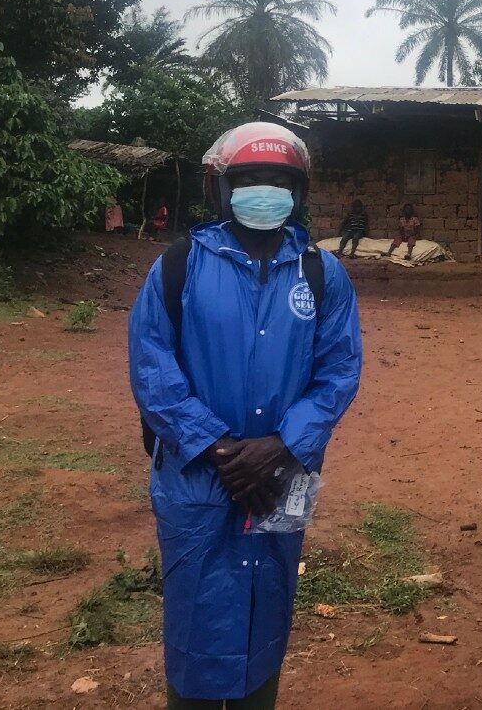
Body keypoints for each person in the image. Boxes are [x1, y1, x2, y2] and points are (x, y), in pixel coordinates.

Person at [128, 122, 362, 710]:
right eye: (250, 179)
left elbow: (339, 370)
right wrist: (215, 447)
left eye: (279, 180)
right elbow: (152, 366)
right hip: (198, 477)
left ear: (299, 191)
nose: (265, 190)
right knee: (195, 611)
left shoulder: (321, 273)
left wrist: (283, 445)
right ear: (222, 188)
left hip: (283, 474)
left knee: (270, 599)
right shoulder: (180, 266)